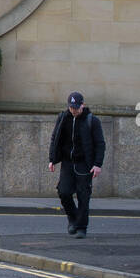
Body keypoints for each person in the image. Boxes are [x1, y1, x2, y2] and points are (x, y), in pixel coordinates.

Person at [48, 91, 106, 238]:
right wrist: (52, 159)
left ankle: (81, 227)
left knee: (83, 196)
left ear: (82, 105)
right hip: (68, 162)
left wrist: (97, 164)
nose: (73, 110)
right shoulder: (63, 118)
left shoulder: (92, 121)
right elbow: (55, 138)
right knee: (64, 192)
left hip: (84, 164)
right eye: (71, 107)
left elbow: (100, 144)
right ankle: (73, 218)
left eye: (76, 108)